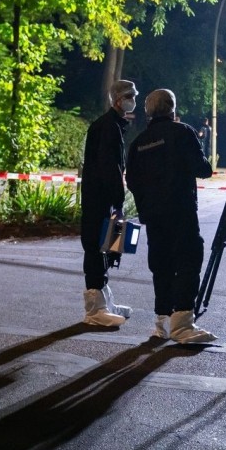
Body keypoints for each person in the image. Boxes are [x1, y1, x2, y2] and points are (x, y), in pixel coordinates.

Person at [125, 88, 216, 344]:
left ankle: (161, 322)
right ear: (172, 109)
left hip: (153, 215)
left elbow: (131, 179)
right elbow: (203, 169)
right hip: (181, 211)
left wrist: (145, 204)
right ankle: (183, 323)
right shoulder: (182, 133)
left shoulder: (139, 142)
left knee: (161, 265)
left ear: (147, 112)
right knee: (188, 260)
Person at [79, 79, 138, 327]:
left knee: (104, 248)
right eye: (129, 96)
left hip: (99, 197)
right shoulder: (109, 127)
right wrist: (118, 200)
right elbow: (109, 168)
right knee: (96, 247)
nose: (132, 100)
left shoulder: (112, 125)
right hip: (99, 198)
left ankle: (105, 302)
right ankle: (94, 310)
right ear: (118, 100)